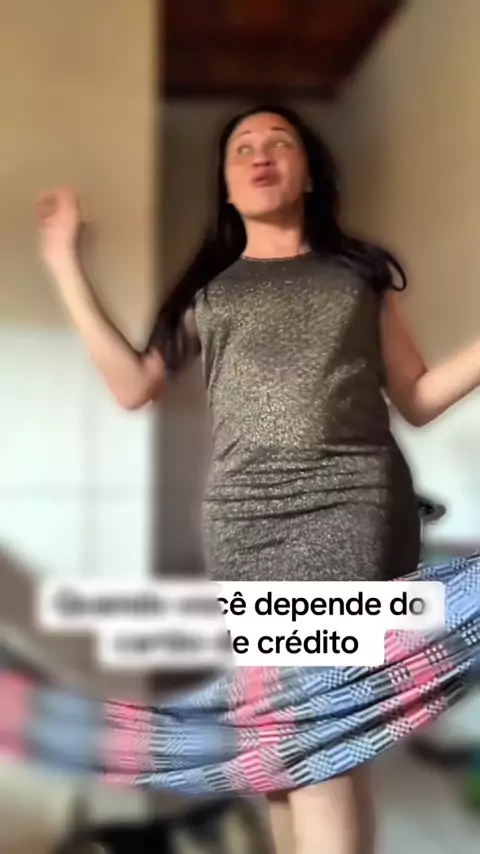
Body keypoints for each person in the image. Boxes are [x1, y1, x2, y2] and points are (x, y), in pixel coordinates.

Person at [2, 105, 479, 854]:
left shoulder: (359, 275)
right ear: (227, 185)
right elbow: (132, 384)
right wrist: (64, 263)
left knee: (317, 740)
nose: (260, 154)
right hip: (245, 527)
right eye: (242, 148)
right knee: (289, 745)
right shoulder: (208, 290)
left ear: (308, 173)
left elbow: (416, 397)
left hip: (352, 515)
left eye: (278, 142)